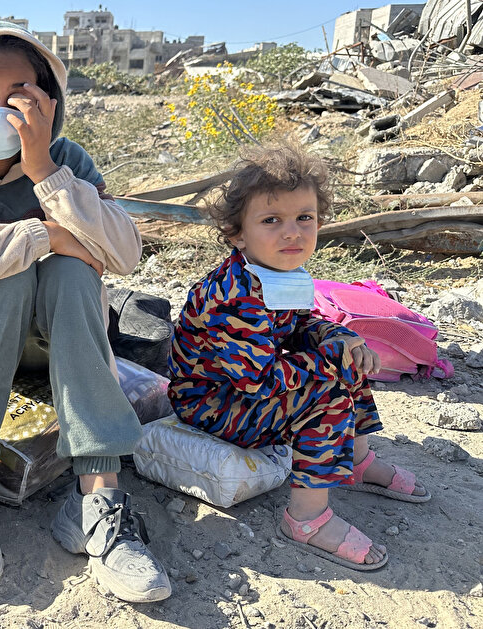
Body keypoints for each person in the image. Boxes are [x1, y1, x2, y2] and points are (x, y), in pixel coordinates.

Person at [0, 20, 171, 602]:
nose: (4, 110)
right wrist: (42, 236)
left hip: (49, 334)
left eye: (20, 96)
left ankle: (96, 496)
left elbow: (123, 252)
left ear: (48, 100)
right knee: (11, 270)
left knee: (77, 273)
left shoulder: (68, 160)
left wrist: (45, 170)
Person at [167, 144, 430, 571]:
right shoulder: (235, 297)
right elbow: (260, 382)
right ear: (238, 233)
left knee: (349, 355)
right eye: (272, 220)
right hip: (213, 402)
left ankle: (356, 463)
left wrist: (339, 337)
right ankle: (306, 519)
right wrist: (332, 358)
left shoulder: (278, 272)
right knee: (326, 391)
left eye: (303, 218)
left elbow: (302, 325)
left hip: (248, 384)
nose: (292, 232)